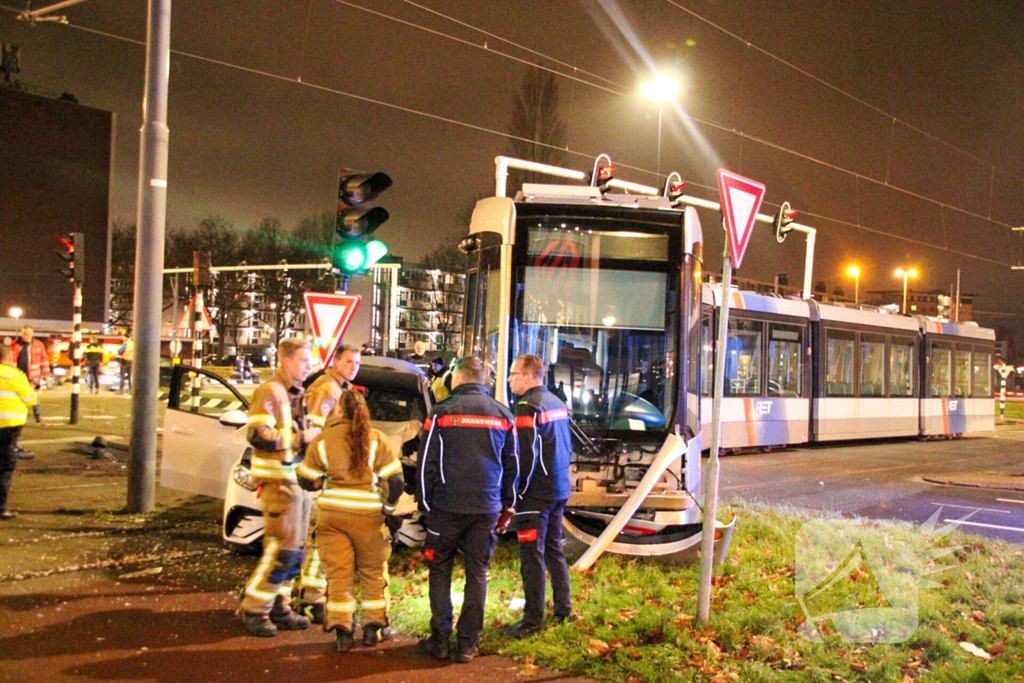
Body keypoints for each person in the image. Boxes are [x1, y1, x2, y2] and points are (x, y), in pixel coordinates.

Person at [416, 356, 519, 664]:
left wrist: (425, 502)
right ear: (484, 379)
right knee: (478, 573)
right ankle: (467, 644)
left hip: (446, 506)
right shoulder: (503, 414)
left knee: (440, 568)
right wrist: (507, 504)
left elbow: (426, 464)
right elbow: (513, 465)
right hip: (486, 507)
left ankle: (440, 639)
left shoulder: (442, 412)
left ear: (457, 379)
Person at [297, 391, 404, 652]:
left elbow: (305, 479)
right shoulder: (377, 440)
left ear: (338, 410)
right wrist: (388, 510)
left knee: (338, 575)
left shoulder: (324, 440)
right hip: (368, 518)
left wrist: (326, 481)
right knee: (372, 572)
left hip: (332, 518)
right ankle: (373, 629)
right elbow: (396, 481)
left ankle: (342, 631)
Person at [237, 338, 319, 637]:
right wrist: (300, 437)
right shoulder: (270, 391)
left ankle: (278, 606)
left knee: (294, 552)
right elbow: (259, 435)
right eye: (303, 360)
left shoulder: (294, 394)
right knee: (281, 550)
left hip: (293, 482)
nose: (309, 365)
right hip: (277, 484)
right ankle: (253, 608)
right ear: (286, 361)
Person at [502, 355, 574, 638]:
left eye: (513, 374)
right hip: (558, 488)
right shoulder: (556, 402)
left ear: (529, 376)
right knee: (554, 549)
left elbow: (525, 457)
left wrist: (516, 493)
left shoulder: (526, 407)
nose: (509, 380)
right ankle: (563, 609)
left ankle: (532, 621)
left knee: (531, 556)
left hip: (535, 495)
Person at [296, 343, 362, 622]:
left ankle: (311, 596)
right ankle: (311, 600)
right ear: (335, 361)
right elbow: (315, 434)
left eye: (356, 363)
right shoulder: (327, 389)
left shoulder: (340, 389)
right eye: (348, 362)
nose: (353, 367)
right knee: (319, 537)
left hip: (330, 473)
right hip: (323, 474)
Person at [0, 344, 37, 520]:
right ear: (8, 359)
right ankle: (1, 508)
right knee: (5, 467)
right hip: (9, 426)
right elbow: (30, 399)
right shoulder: (15, 375)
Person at [10, 326, 48, 459]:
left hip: (33, 376)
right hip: (19, 375)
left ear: (32, 334)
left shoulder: (38, 345)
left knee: (32, 395)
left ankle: (36, 413)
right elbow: (12, 360)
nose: (25, 336)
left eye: (27, 334)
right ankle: (28, 413)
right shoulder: (15, 345)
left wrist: (46, 372)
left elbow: (44, 359)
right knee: (23, 397)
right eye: (24, 334)